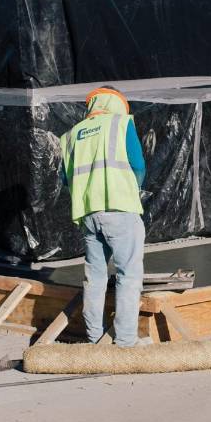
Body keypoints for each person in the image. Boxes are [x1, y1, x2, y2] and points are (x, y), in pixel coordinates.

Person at [59, 86, 148, 346]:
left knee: (95, 278)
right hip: (120, 209)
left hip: (88, 214)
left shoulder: (72, 135)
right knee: (128, 275)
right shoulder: (120, 123)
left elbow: (66, 178)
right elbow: (138, 164)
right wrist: (134, 188)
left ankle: (95, 338)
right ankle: (126, 342)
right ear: (118, 103)